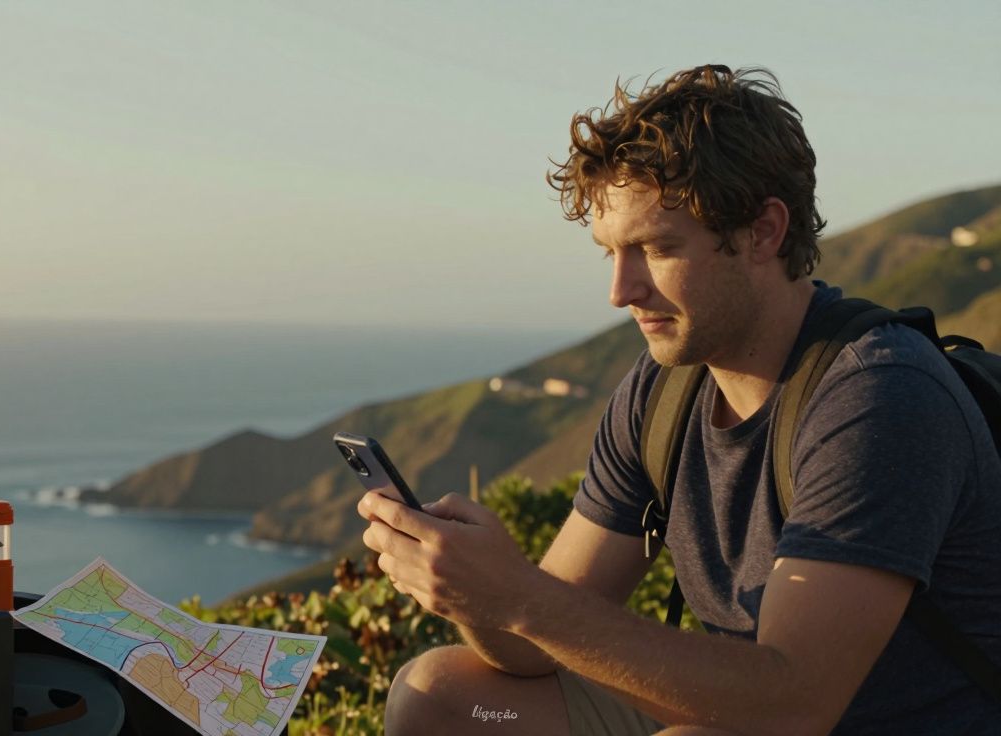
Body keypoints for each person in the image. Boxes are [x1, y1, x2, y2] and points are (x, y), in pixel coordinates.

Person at [358, 65, 1001, 735]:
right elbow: (529, 647)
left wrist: (522, 599)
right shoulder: (663, 392)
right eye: (610, 252)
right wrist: (477, 592)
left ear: (763, 232)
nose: (621, 291)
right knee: (441, 698)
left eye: (657, 248)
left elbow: (795, 705)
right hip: (744, 710)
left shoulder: (880, 397)